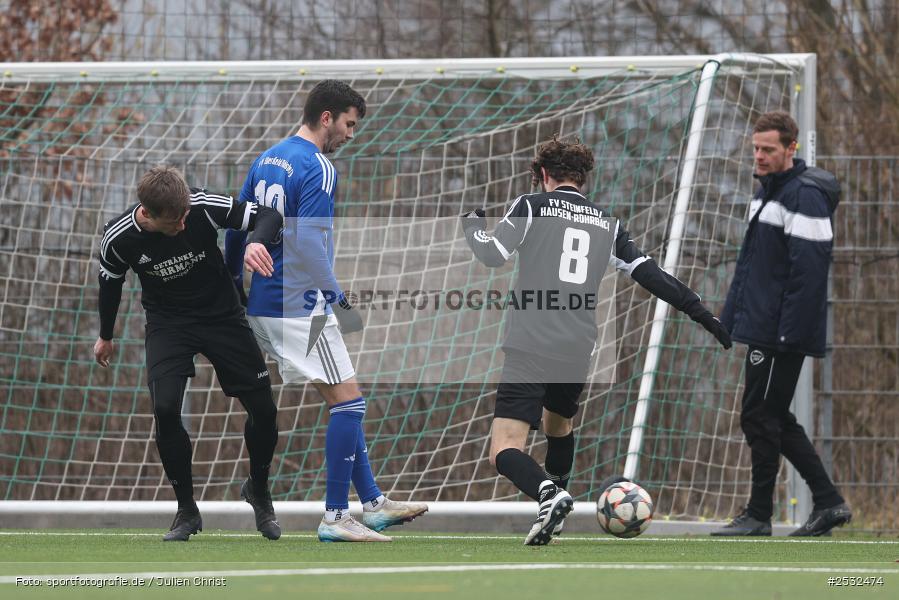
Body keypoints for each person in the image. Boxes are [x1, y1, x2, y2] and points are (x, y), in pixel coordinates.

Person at [461, 136, 732, 545]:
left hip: (532, 339)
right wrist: (703, 313)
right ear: (582, 179)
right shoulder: (607, 223)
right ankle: (553, 512)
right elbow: (652, 275)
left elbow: (492, 255)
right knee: (558, 424)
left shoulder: (531, 206)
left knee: (503, 447)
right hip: (578, 345)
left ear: (543, 175)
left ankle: (548, 494)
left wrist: (472, 226)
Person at [224, 80, 428, 543]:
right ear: (326, 118)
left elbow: (238, 227)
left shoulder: (267, 158)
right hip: (300, 303)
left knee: (343, 401)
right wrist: (341, 301)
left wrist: (234, 281)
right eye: (349, 124)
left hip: (267, 303)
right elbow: (311, 247)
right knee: (351, 405)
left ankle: (372, 503)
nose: (351, 135)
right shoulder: (318, 166)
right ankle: (336, 515)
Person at [94, 165, 284, 542]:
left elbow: (268, 215)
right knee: (164, 409)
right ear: (146, 213)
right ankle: (187, 511)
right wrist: (105, 335)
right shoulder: (118, 238)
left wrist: (257, 241)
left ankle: (258, 490)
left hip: (222, 317)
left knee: (264, 410)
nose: (183, 224)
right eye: (174, 221)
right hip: (168, 324)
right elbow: (110, 284)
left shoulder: (200, 206)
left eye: (185, 217)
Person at [712, 111, 851, 537]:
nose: (760, 156)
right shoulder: (765, 193)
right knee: (771, 416)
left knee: (759, 416)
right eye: (756, 148)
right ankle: (827, 503)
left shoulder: (803, 196)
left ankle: (758, 515)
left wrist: (788, 334)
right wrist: (729, 319)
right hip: (760, 326)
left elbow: (808, 275)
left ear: (792, 148)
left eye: (769, 149)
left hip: (781, 331)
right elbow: (751, 265)